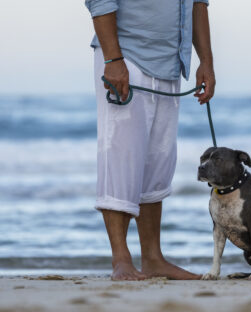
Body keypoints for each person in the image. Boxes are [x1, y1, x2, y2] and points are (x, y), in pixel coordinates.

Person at [85, 0, 216, 281]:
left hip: (170, 64)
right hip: (126, 57)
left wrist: (206, 61)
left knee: (159, 160)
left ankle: (154, 258)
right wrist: (112, 59)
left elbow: (197, 4)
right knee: (121, 156)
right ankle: (121, 260)